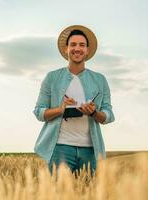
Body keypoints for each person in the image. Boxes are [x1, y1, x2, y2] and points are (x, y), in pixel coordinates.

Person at [33, 25, 115, 176]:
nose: (77, 48)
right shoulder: (52, 78)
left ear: (88, 50)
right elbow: (39, 112)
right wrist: (60, 109)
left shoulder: (100, 80)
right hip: (59, 149)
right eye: (73, 44)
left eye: (82, 45)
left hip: (91, 150)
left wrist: (94, 113)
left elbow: (109, 114)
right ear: (66, 49)